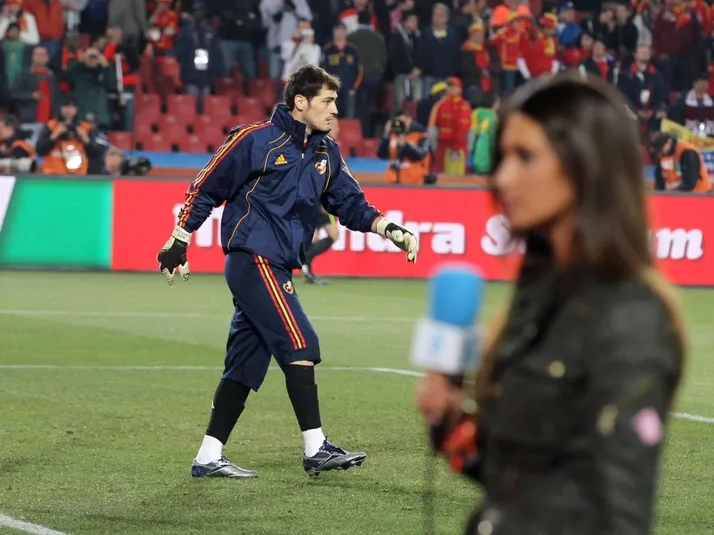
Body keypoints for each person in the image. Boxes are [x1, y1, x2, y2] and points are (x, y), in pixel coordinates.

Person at [415, 72, 686, 534]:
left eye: (525, 156)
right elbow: (525, 482)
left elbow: (620, 516)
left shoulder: (631, 317)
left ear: (586, 165)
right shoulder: (538, 293)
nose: (503, 177)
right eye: (503, 157)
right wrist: (452, 425)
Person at [157, 64, 419, 478]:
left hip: (277, 263)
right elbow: (206, 186)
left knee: (245, 362)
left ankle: (208, 456)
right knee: (300, 341)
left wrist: (388, 228)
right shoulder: (254, 139)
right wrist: (180, 236)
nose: (335, 110)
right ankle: (316, 448)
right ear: (301, 102)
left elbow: (351, 203)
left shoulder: (325, 152)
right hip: (252, 258)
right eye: (327, 101)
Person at [648, 132, 713, 193]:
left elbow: (690, 181)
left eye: (661, 150)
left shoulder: (688, 152)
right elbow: (659, 180)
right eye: (657, 152)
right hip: (677, 195)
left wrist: (675, 195)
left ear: (668, 142)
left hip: (700, 194)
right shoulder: (662, 154)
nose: (659, 154)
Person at [301, 207, 339, 285]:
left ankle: (307, 271)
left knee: (313, 238)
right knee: (333, 236)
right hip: (321, 206)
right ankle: (306, 264)